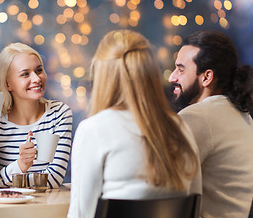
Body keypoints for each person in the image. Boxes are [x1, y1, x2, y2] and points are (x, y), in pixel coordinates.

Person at [68, 29, 201, 218]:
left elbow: (81, 214)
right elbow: (195, 203)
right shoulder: (180, 127)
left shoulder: (94, 129)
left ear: (103, 76)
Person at [168, 30, 253, 218]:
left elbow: (162, 185)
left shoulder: (196, 117)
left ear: (206, 77)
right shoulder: (243, 117)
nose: (172, 77)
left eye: (181, 69)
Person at [0, 42, 72, 189]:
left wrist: (12, 178)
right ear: (8, 84)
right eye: (25, 74)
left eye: (39, 70)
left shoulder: (59, 114)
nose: (37, 79)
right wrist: (21, 165)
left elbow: (54, 178)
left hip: (47, 208)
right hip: (5, 208)